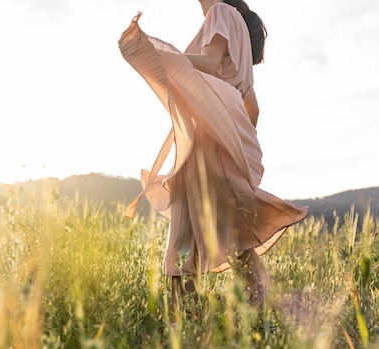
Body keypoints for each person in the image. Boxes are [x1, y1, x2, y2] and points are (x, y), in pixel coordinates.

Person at [118, 0, 309, 310]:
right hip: (210, 141)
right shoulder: (229, 25)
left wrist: (159, 54)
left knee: (188, 238)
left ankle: (187, 326)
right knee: (231, 235)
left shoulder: (222, 12)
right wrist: (234, 139)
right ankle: (257, 321)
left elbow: (207, 64)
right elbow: (252, 107)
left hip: (207, 143)